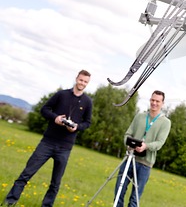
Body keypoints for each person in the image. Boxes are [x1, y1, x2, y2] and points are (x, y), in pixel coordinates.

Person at [2, 69, 93, 207]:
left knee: (55, 183)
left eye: (86, 82)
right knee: (26, 174)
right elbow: (44, 109)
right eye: (81, 80)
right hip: (48, 142)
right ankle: (10, 201)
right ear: (76, 79)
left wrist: (76, 127)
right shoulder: (61, 94)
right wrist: (55, 118)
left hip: (65, 147)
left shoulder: (87, 102)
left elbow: (87, 123)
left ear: (88, 83)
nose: (82, 83)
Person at [114, 90, 171, 207]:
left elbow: (159, 143)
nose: (154, 103)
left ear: (162, 103)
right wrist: (129, 144)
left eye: (157, 101)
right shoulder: (140, 116)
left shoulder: (165, 122)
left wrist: (146, 146)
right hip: (130, 159)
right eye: (152, 100)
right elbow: (127, 134)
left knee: (135, 199)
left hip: (145, 164)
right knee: (118, 191)